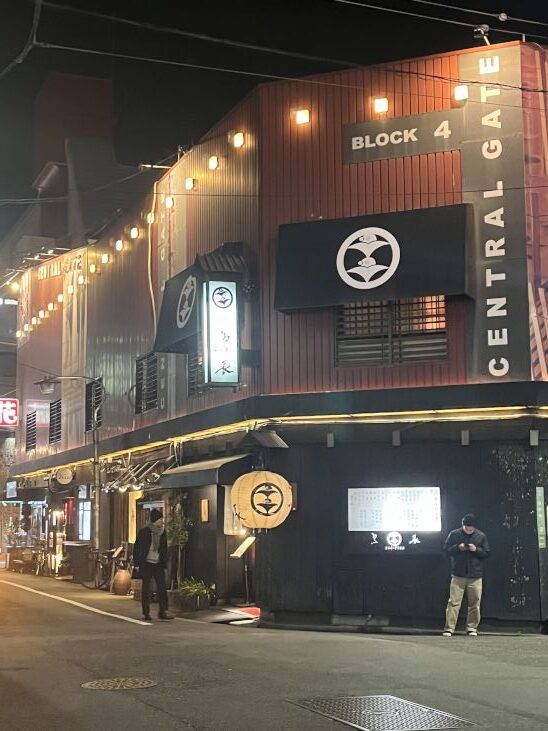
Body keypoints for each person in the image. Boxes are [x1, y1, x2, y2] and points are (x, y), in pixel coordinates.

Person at [442, 513, 490, 637]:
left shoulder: (481, 536)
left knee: (475, 603)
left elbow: (486, 553)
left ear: (475, 527)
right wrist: (458, 547)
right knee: (453, 602)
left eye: (471, 528)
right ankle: (449, 628)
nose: (468, 530)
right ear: (462, 525)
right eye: (466, 528)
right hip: (458, 574)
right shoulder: (454, 534)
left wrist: (476, 550)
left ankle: (472, 628)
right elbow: (446, 550)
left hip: (475, 576)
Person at [133, 508, 173, 621]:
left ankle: (163, 611)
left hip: (158, 563)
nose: (162, 521)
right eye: (160, 519)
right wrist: (137, 563)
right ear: (155, 520)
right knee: (146, 588)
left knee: (162, 587)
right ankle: (146, 612)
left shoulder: (163, 532)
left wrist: (165, 560)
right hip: (146, 563)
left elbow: (164, 548)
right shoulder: (144, 532)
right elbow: (137, 548)